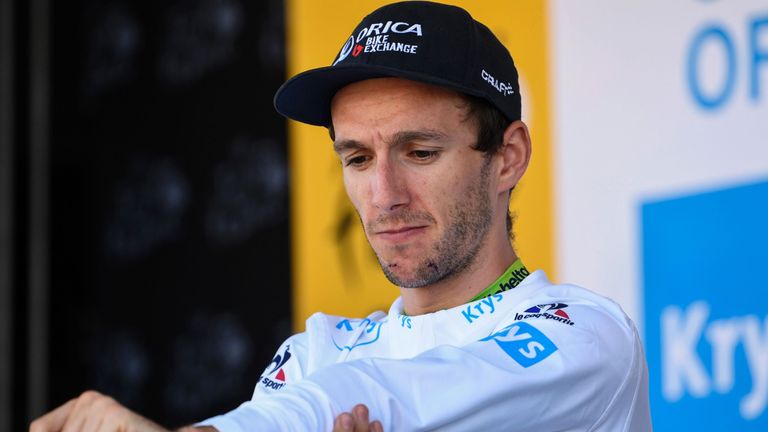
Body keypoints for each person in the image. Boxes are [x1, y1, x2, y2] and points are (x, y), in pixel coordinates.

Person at [30, 2, 652, 431]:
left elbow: (388, 394)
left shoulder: (586, 336)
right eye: (357, 158)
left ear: (507, 158)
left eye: (420, 152)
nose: (384, 194)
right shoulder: (314, 354)